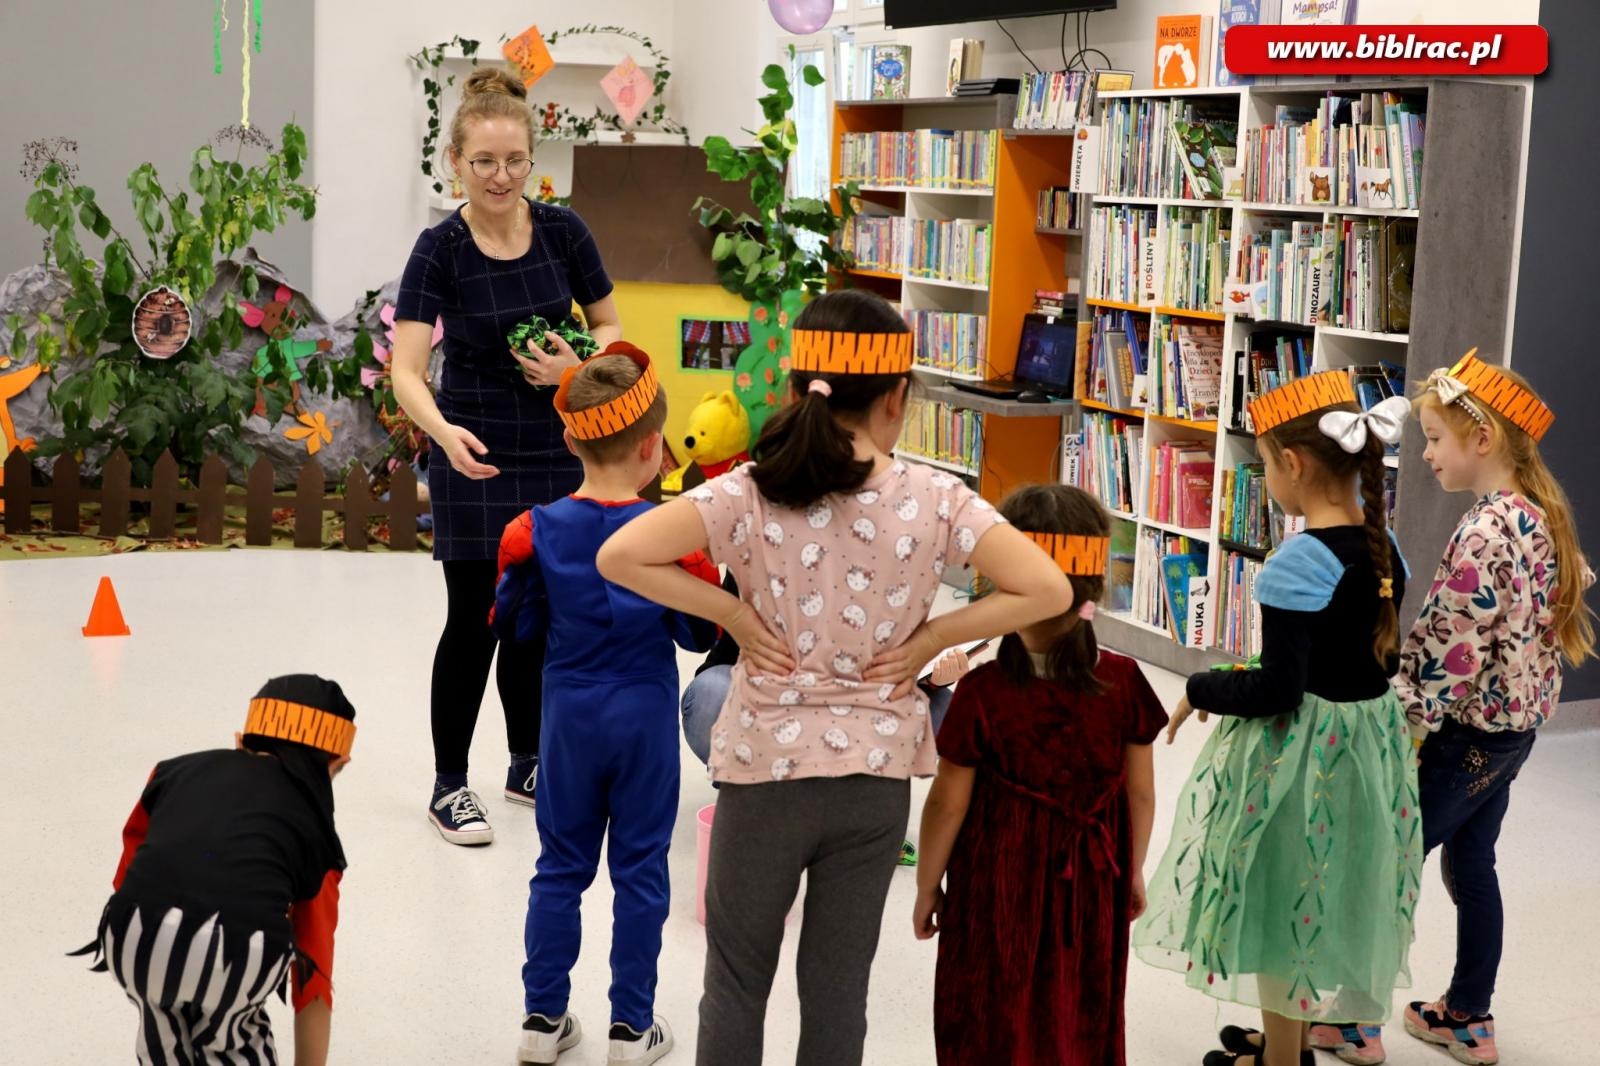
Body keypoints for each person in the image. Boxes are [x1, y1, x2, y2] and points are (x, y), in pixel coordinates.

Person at [596, 289, 1073, 1066]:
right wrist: (934, 638)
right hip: (874, 779)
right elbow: (1048, 589)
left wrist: (737, 618)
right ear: (898, 401)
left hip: (762, 773)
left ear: (793, 391)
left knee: (737, 985)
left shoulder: (745, 491)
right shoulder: (936, 499)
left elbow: (619, 554)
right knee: (838, 993)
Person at [1307, 352, 1594, 1066]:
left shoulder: (1483, 534)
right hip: (1514, 734)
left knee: (1387, 863)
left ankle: (1356, 1021)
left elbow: (1446, 650)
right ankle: (1467, 1016)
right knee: (1473, 865)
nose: (1426, 452)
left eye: (1434, 438)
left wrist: (1392, 722)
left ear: (1483, 439)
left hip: (1464, 736)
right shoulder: (1540, 517)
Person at [1133, 373, 1420, 1066]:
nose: (1266, 476)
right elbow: (1366, 666)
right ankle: (1285, 1039)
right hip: (1364, 757)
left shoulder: (1298, 562)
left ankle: (1282, 1060)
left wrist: (1202, 685)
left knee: (1274, 903)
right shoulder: (1388, 554)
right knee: (1314, 895)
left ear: (1292, 464)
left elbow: (1281, 690)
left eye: (1264, 463)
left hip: (1301, 765)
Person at [390, 66, 623, 846]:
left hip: (556, 445)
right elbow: (406, 369)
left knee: (543, 613)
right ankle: (448, 785)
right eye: (484, 161)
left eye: (515, 160)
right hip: (474, 447)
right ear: (455, 161)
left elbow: (612, 331)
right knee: (476, 618)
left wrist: (577, 370)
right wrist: (441, 434)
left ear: (533, 159)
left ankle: (528, 763)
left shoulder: (565, 232)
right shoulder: (440, 250)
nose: (500, 175)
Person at [492, 346, 720, 1065]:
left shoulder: (534, 529)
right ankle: (631, 1027)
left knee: (559, 866)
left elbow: (514, 627)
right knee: (641, 870)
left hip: (567, 719)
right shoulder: (673, 532)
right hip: (644, 718)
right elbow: (699, 629)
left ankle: (541, 1019)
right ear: (654, 446)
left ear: (569, 438)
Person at [914, 484, 1166, 1065]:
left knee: (987, 1008)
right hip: (1093, 879)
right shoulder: (1124, 681)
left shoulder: (981, 692)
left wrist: (928, 887)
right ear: (1096, 584)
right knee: (1080, 1004)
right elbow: (1142, 795)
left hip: (994, 883)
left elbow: (946, 805)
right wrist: (1131, 871)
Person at [74, 675, 356, 1066]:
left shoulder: (171, 772)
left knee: (162, 1027)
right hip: (236, 952)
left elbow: (129, 874)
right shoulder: (318, 835)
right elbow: (313, 973)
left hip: (133, 934)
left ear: (241, 741)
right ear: (336, 764)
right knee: (233, 1041)